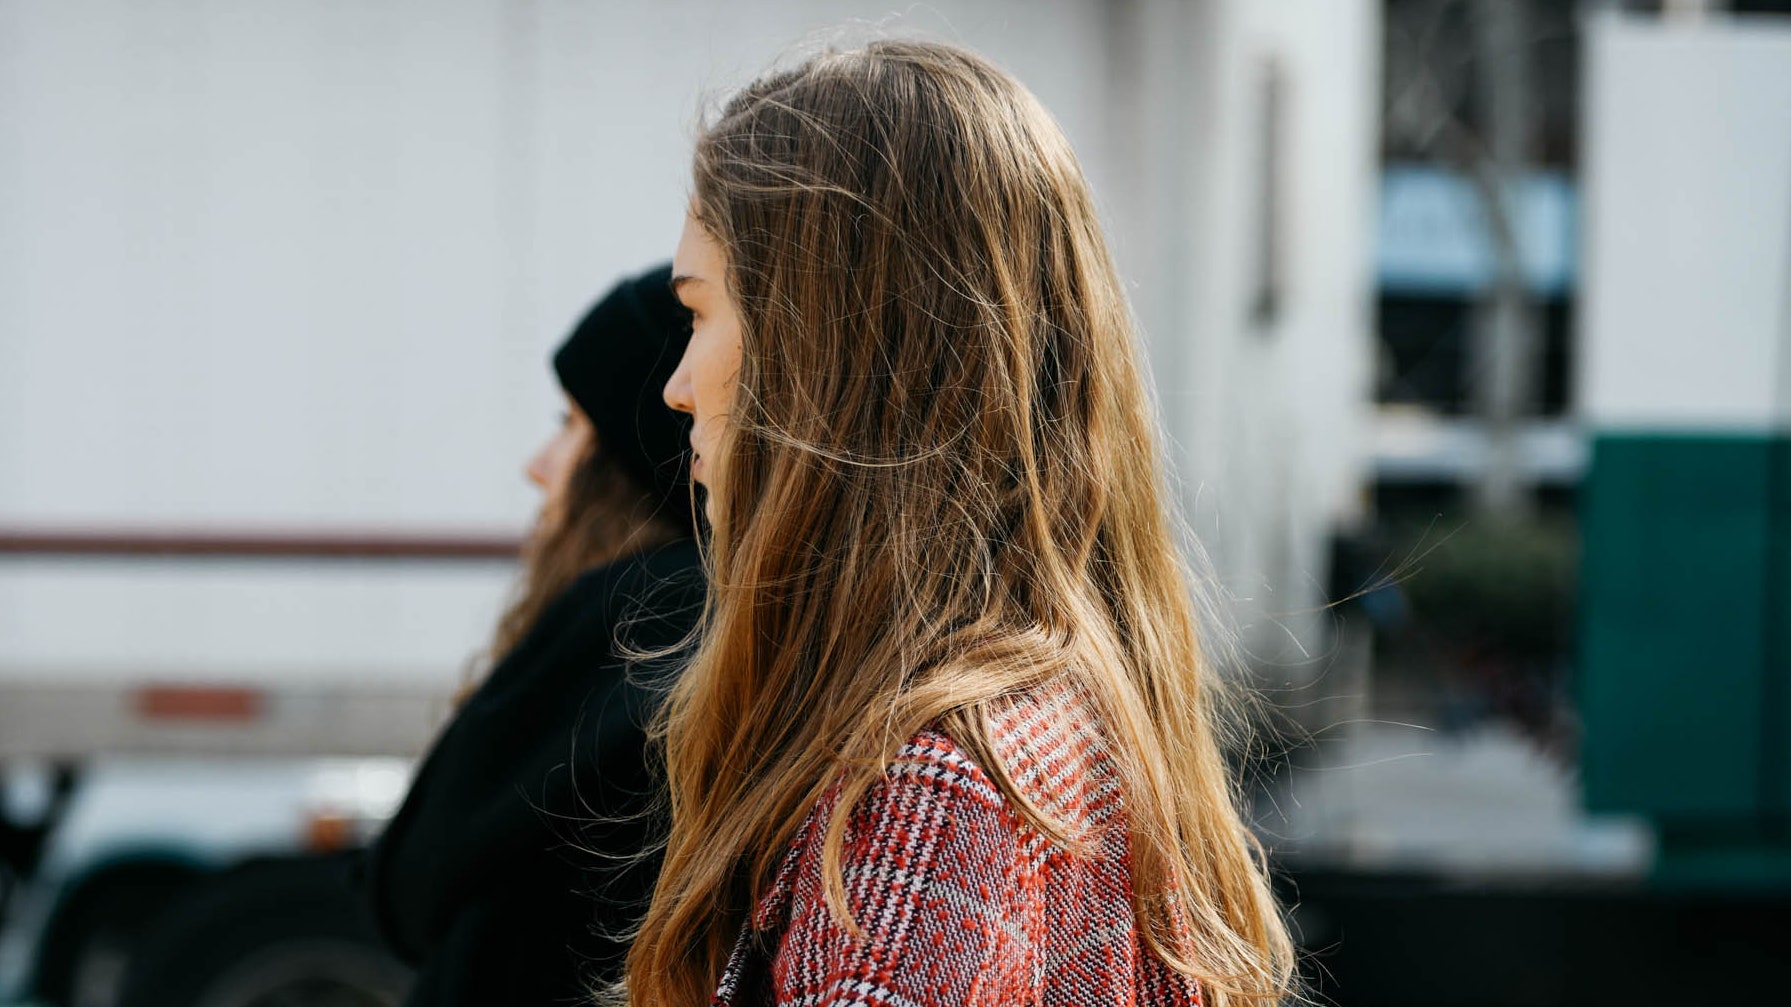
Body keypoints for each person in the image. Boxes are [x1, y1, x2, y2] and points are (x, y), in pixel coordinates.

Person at [628, 40, 1296, 1007]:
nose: (678, 388)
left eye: (699, 313)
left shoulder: (927, 789)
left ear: (827, 351)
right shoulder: (1051, 718)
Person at [365, 264, 705, 1006]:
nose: (538, 466)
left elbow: (410, 880)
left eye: (571, 426)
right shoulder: (711, 618)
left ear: (632, 454)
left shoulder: (636, 615)